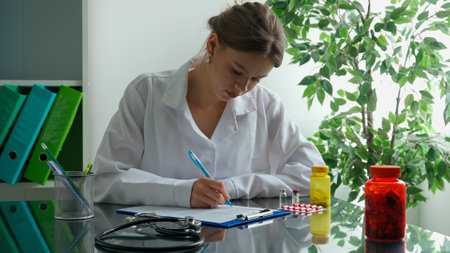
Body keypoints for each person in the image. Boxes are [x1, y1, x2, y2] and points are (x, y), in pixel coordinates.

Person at [92, 2, 325, 209]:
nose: (243, 87)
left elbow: (314, 177)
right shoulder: (146, 93)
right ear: (212, 45)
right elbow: (106, 181)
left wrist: (235, 186)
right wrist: (180, 192)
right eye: (236, 70)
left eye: (255, 79)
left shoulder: (267, 105)